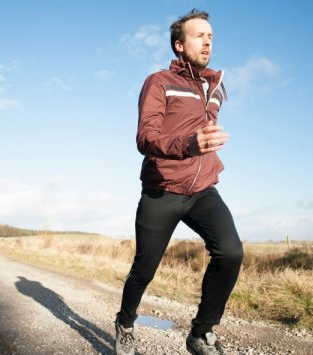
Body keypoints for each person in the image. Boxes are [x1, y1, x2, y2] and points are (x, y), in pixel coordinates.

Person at [114, 8, 244, 355]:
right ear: (178, 45)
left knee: (230, 252)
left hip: (203, 189)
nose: (207, 41)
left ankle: (201, 333)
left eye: (211, 36)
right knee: (144, 269)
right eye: (199, 35)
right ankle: (125, 323)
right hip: (163, 189)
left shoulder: (215, 87)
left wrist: (204, 149)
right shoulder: (159, 82)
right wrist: (188, 145)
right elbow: (146, 137)